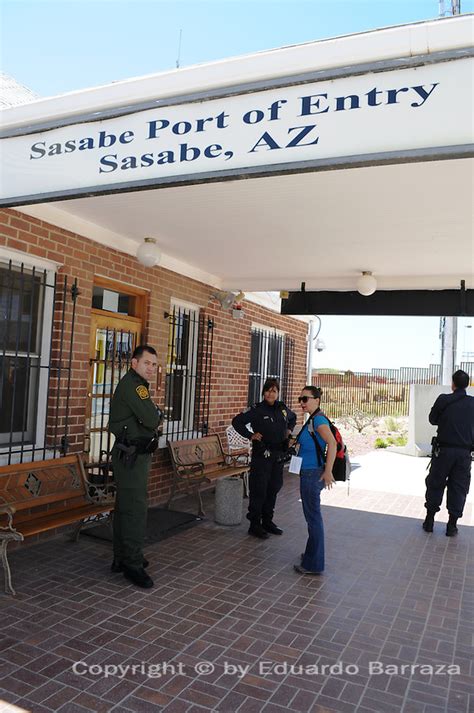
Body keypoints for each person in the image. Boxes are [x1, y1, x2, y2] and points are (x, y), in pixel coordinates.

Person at [109, 345, 163, 588]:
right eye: (146, 363)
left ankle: (122, 557)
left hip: (133, 455)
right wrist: (156, 416)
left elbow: (148, 418)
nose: (151, 368)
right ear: (134, 363)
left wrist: (152, 416)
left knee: (125, 507)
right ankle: (131, 564)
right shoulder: (134, 386)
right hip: (130, 457)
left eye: (154, 364)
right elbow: (152, 419)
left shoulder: (136, 384)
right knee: (135, 509)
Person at [232, 378, 296, 539]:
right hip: (262, 455)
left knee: (273, 488)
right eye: (267, 390)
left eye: (274, 391)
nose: (270, 393)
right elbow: (237, 422)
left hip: (277, 456)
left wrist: (288, 431)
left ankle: (267, 521)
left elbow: (293, 418)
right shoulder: (257, 409)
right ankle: (255, 524)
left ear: (278, 393)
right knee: (259, 490)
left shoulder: (282, 409)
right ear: (263, 392)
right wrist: (251, 435)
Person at [423, 369, 473, 537]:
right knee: (459, 488)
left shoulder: (444, 400)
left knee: (435, 483)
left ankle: (429, 521)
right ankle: (452, 526)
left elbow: (432, 419)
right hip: (464, 454)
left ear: (453, 384)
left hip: (443, 451)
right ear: (467, 385)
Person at [292, 385, 336, 575]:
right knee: (312, 518)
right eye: (300, 399)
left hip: (312, 474)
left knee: (313, 519)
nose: (302, 402)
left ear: (317, 400)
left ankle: (314, 564)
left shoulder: (318, 419)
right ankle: (311, 556)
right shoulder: (312, 418)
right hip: (308, 472)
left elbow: (332, 443)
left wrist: (328, 471)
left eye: (305, 399)